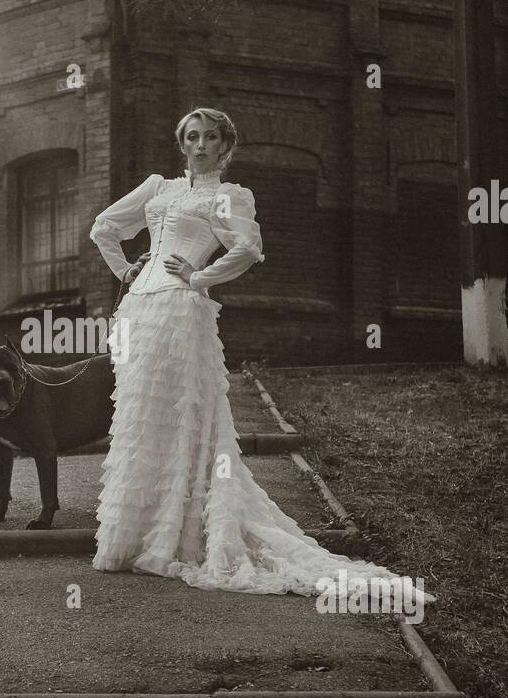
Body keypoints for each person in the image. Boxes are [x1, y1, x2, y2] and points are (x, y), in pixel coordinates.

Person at [89, 106, 430, 604]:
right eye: (191, 136)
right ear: (181, 143)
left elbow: (247, 248)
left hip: (182, 312)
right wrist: (125, 272)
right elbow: (104, 226)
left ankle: (176, 536)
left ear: (225, 147)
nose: (200, 145)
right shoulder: (158, 187)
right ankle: (136, 535)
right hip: (140, 312)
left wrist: (198, 277)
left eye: (209, 138)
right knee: (143, 416)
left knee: (186, 416)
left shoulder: (228, 196)